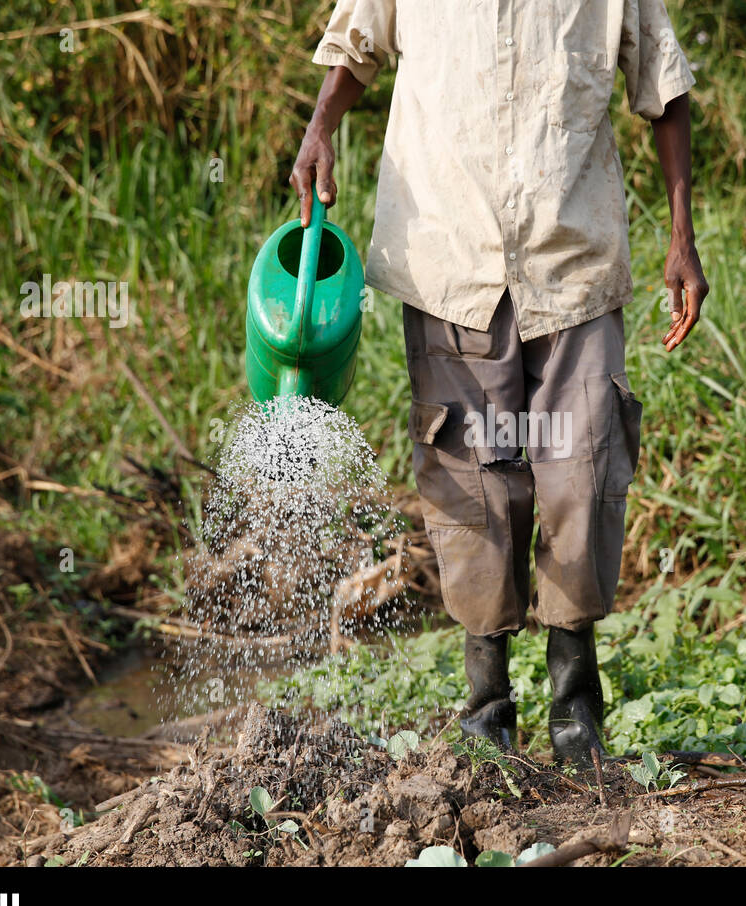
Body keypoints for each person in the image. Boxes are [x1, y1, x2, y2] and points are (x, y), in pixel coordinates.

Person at [292, 0, 708, 768]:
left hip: (572, 264)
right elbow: (355, 47)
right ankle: (488, 708)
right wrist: (321, 128)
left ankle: (576, 708)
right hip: (451, 261)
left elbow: (664, 87)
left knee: (581, 478)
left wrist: (682, 238)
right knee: (474, 487)